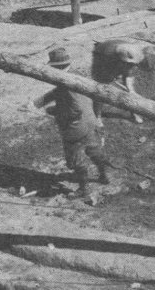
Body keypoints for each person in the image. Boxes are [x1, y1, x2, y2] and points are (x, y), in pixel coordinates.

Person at [32, 48, 110, 199]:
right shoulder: (78, 77)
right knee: (95, 151)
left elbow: (74, 110)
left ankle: (83, 189)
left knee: (76, 159)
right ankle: (103, 176)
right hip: (91, 122)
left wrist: (53, 111)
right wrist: (36, 103)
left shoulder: (63, 84)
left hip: (75, 128)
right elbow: (96, 97)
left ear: (55, 68)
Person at [91, 39, 145, 127]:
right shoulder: (107, 54)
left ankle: (133, 112)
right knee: (100, 88)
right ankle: (97, 116)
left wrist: (130, 89)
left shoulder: (133, 52)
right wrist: (110, 78)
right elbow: (105, 74)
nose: (130, 66)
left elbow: (129, 75)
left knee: (130, 90)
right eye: (128, 64)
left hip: (121, 57)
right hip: (100, 56)